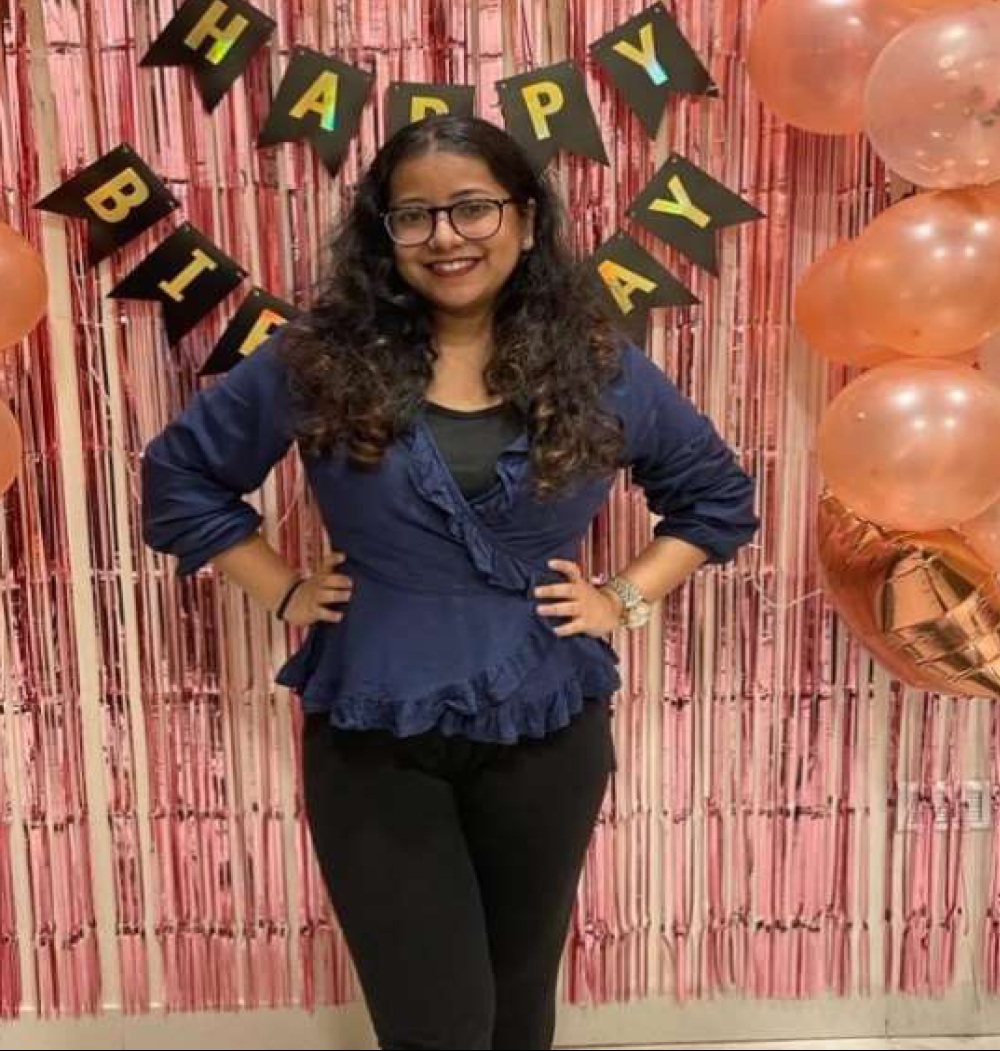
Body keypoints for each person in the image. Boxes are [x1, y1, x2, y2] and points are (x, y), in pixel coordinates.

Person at [141, 114, 758, 1051]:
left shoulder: (599, 364)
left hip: (548, 726)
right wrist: (282, 588)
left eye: (473, 208)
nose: (446, 236)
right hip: (373, 731)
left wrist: (622, 599)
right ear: (383, 233)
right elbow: (180, 476)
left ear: (525, 219)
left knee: (518, 1006)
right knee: (436, 1023)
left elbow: (715, 498)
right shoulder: (318, 358)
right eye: (414, 215)